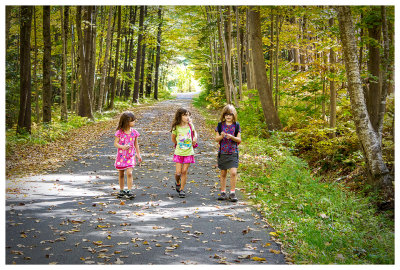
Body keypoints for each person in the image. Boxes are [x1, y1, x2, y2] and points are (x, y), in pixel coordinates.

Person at [215, 104, 241, 202]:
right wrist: (222, 136)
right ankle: (223, 192)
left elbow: (239, 140)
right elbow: (216, 138)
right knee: (223, 173)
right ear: (223, 115)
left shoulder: (236, 125)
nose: (228, 116)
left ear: (234, 115)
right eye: (226, 114)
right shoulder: (220, 125)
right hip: (223, 152)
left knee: (233, 172)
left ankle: (232, 193)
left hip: (233, 152)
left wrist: (232, 137)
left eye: (230, 114)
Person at [114, 111, 142, 199]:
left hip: (131, 155)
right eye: (132, 121)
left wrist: (138, 154)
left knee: (129, 173)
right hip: (121, 156)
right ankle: (121, 190)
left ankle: (129, 190)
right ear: (127, 121)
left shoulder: (134, 133)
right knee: (121, 173)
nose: (134, 122)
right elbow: (115, 143)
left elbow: (136, 144)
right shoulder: (119, 132)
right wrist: (122, 146)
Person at [171, 108, 197, 198]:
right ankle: (177, 182)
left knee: (184, 171)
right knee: (178, 173)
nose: (187, 117)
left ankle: (182, 189)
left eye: (188, 115)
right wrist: (179, 144)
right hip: (179, 152)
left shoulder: (190, 125)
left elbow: (195, 132)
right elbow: (173, 139)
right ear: (180, 116)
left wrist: (195, 138)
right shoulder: (176, 127)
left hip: (189, 152)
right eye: (185, 115)